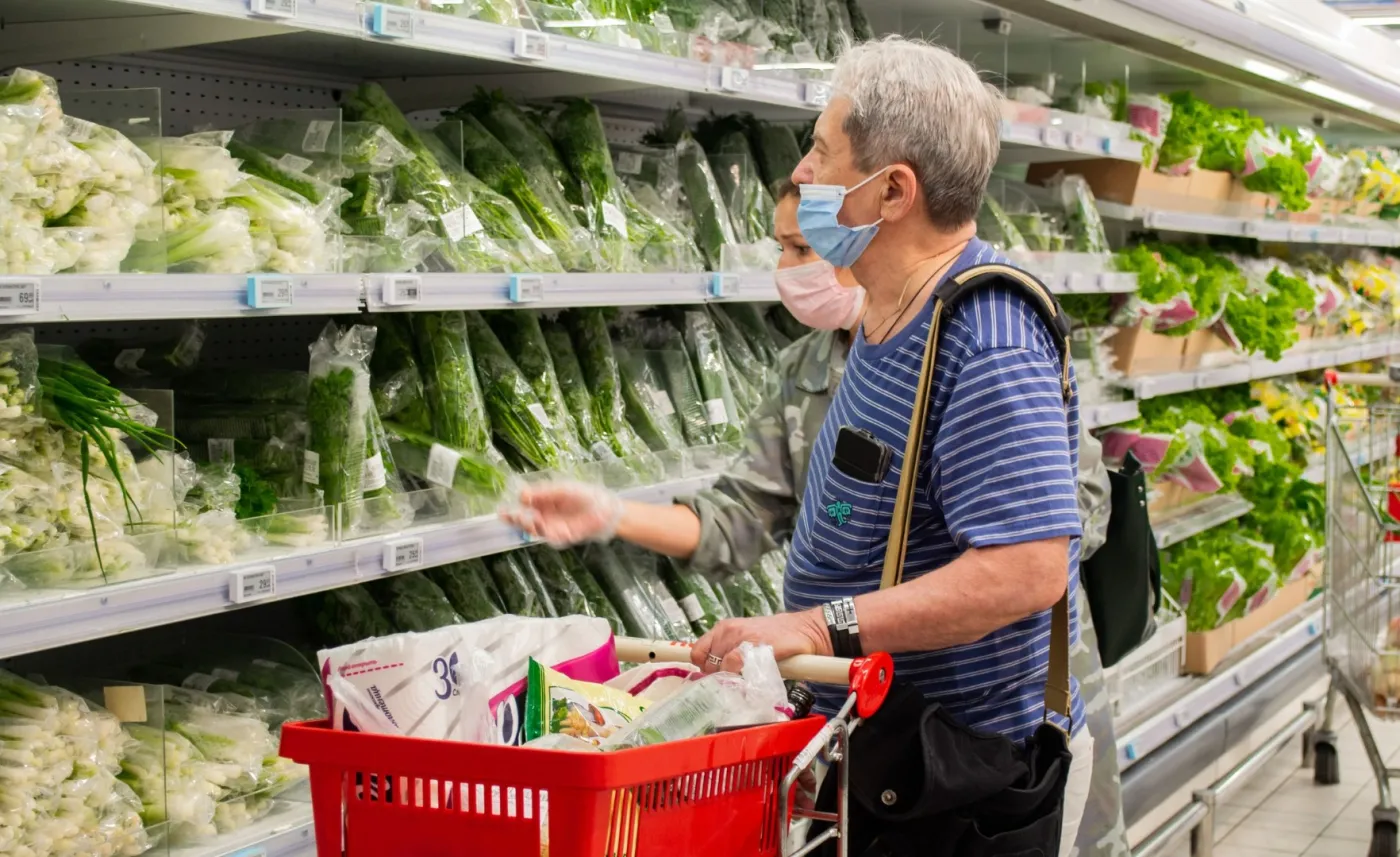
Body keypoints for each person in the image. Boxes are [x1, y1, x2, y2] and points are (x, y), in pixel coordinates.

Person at [505, 176, 1129, 856]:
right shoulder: (802, 369)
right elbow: (737, 517)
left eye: (806, 246)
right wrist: (611, 512)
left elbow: (1067, 524)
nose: (791, 270)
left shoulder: (981, 340)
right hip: (871, 711)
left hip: (996, 714)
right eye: (782, 249)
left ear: (868, 233)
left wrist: (919, 577)